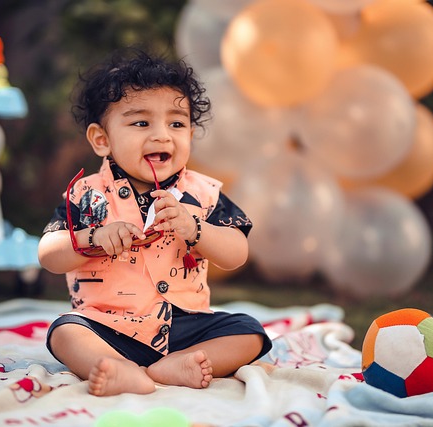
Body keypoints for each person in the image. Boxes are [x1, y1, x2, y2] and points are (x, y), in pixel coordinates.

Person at [37, 49, 272, 397]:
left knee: (249, 332)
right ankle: (119, 367)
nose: (163, 136)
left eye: (176, 124)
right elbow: (49, 254)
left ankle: (175, 365)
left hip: (185, 326)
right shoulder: (88, 195)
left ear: (190, 133)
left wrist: (196, 229)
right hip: (108, 325)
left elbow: (236, 253)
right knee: (65, 332)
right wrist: (95, 238)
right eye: (141, 123)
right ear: (102, 140)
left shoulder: (202, 193)